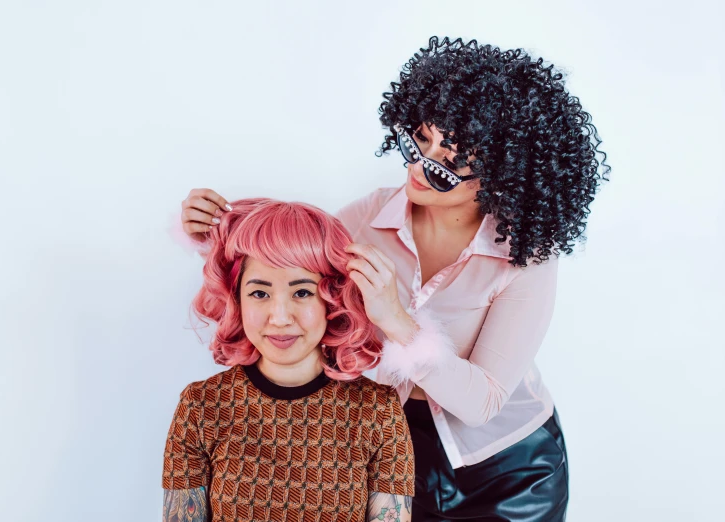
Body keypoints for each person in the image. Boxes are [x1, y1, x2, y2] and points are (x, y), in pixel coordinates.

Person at [178, 37, 610, 521]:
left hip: (511, 468)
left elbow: (483, 402)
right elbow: (284, 266)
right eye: (419, 141)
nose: (420, 168)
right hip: (395, 447)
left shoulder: (527, 257)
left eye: (449, 163)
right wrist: (214, 228)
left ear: (504, 176)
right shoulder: (365, 219)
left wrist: (397, 321)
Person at [162, 198, 415, 522]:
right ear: (236, 298)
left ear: (332, 299)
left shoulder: (378, 411)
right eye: (260, 293)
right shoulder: (201, 406)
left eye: (301, 293)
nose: (279, 318)